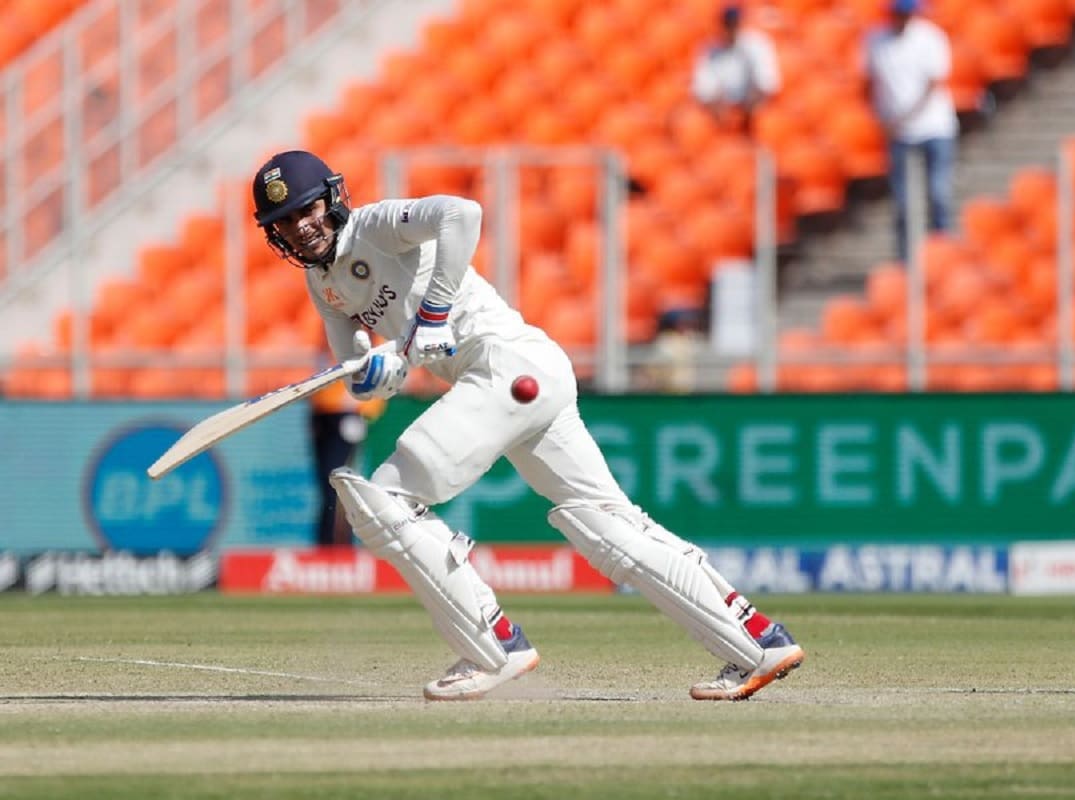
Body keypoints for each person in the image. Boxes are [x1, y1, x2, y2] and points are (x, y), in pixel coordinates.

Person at [250, 149, 805, 701]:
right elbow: (359, 371)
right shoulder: (322, 285)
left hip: (506, 366)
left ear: (333, 198)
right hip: (524, 375)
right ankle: (758, 643)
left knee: (387, 500)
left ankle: (494, 647)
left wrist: (436, 313)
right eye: (285, 223)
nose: (300, 228)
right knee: (607, 527)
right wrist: (379, 372)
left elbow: (461, 213)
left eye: (307, 210)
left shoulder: (373, 225)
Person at [864, 0, 959, 261]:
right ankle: (905, 261)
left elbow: (933, 84)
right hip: (898, 132)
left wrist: (903, 117)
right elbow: (869, 82)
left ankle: (943, 256)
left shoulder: (930, 37)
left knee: (938, 194)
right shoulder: (874, 39)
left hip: (934, 126)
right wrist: (880, 118)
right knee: (902, 200)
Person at [308, 380, 383, 546]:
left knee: (340, 484)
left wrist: (366, 407)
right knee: (327, 485)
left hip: (348, 411)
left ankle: (340, 544)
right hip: (322, 410)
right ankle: (327, 543)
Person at [690, 3, 781, 132]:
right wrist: (719, 108)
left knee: (768, 120)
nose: (732, 28)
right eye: (728, 23)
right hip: (722, 111)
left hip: (753, 109)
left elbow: (766, 85)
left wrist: (747, 109)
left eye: (735, 23)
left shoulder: (757, 44)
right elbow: (703, 90)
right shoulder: (709, 50)